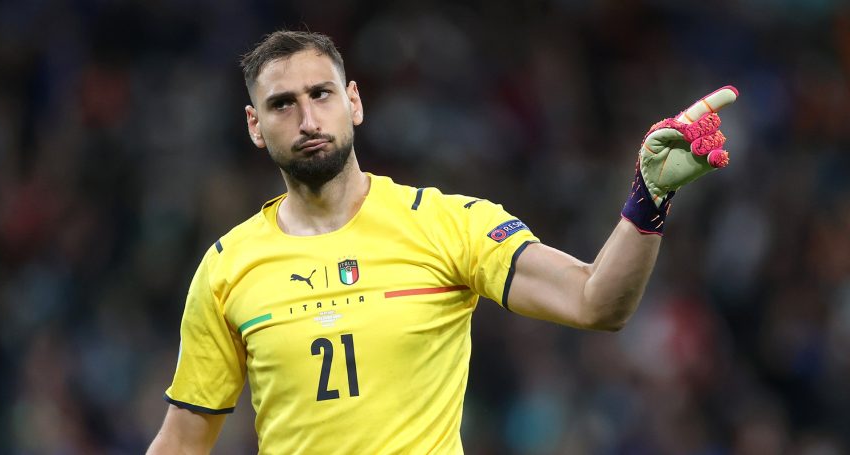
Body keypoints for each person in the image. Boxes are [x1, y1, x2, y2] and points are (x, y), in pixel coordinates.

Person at [145, 30, 738, 454]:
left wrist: (649, 197)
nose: (307, 119)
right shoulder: (227, 268)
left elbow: (595, 301)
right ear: (255, 126)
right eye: (282, 104)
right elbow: (183, 441)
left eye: (321, 94)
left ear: (354, 101)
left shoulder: (446, 224)